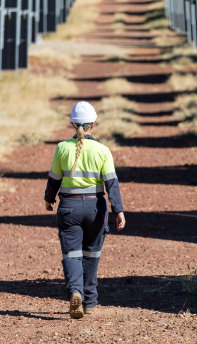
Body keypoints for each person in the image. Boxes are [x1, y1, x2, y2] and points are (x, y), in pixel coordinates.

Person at [44, 101, 125, 319]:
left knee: (72, 255)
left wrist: (48, 199)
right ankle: (90, 302)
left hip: (69, 207)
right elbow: (112, 184)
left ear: (72, 124)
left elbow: (54, 179)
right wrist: (118, 210)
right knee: (92, 255)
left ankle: (75, 293)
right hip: (95, 208)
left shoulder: (62, 148)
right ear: (93, 124)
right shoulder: (102, 150)